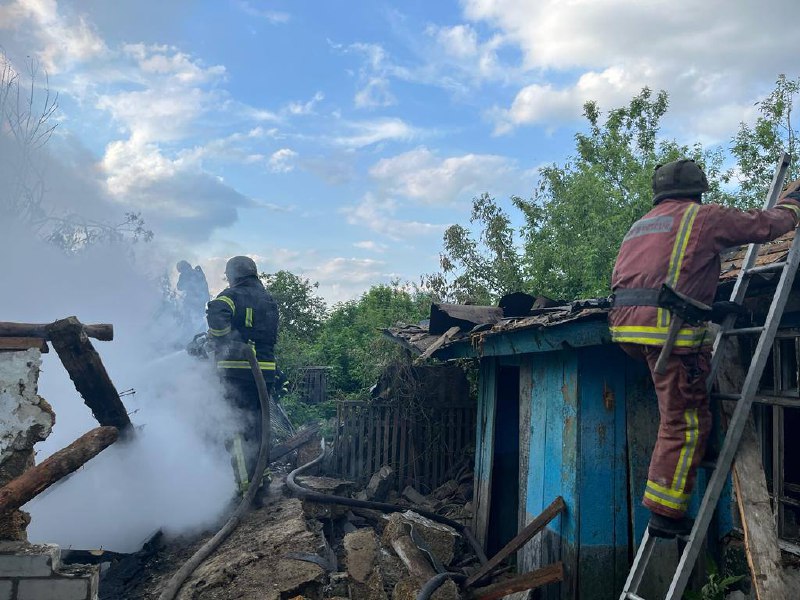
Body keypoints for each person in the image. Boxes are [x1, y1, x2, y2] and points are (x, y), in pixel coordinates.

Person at [609, 159, 800, 538]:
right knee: (685, 421)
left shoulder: (642, 225)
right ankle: (665, 513)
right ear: (698, 189)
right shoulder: (702, 217)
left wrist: (711, 309)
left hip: (629, 330)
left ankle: (679, 466)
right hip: (668, 335)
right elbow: (764, 226)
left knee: (677, 405)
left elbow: (664, 277)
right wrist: (793, 205)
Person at [206, 256, 278, 495]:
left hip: (237, 373)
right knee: (259, 426)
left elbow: (216, 312)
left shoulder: (233, 295)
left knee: (235, 428)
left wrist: (221, 340)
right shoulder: (269, 300)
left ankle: (246, 486)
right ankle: (263, 477)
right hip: (265, 373)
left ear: (234, 275)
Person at [176, 260, 210, 337]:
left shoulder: (184, 274)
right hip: (201, 300)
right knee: (199, 318)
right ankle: (202, 335)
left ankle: (189, 336)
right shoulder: (198, 272)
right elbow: (205, 285)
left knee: (188, 319)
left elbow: (179, 287)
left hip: (192, 300)